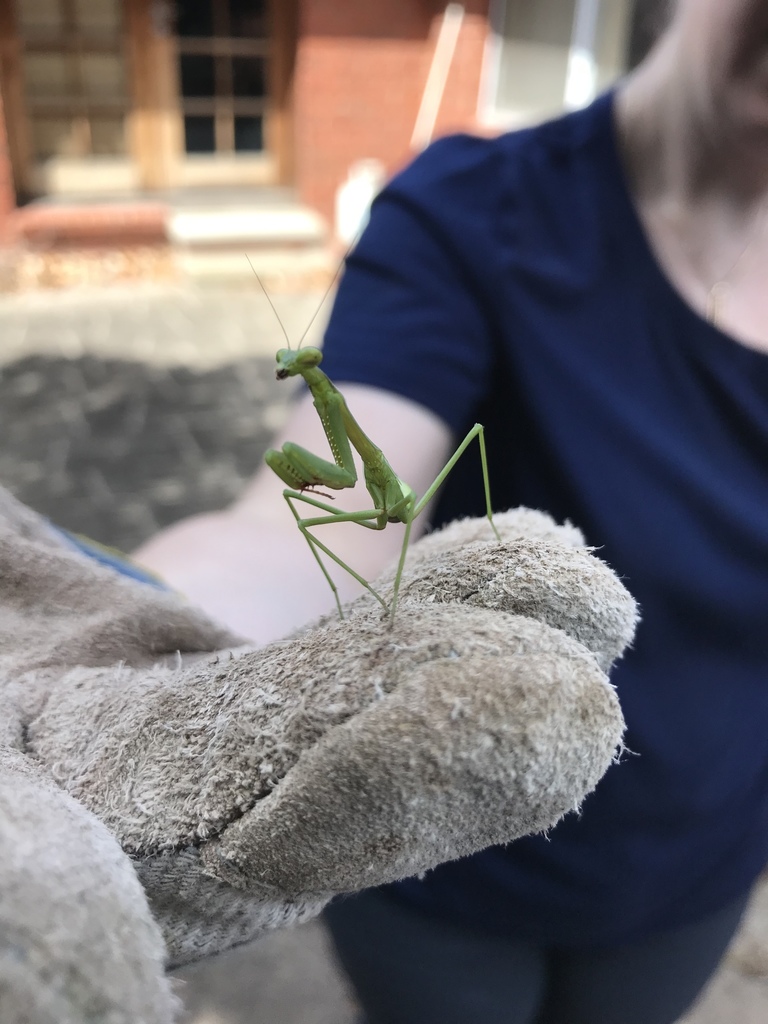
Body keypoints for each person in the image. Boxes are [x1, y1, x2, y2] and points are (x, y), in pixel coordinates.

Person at [135, 0, 768, 1020]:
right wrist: (148, 625)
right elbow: (307, 520)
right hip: (443, 846)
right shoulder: (472, 210)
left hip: (693, 868)